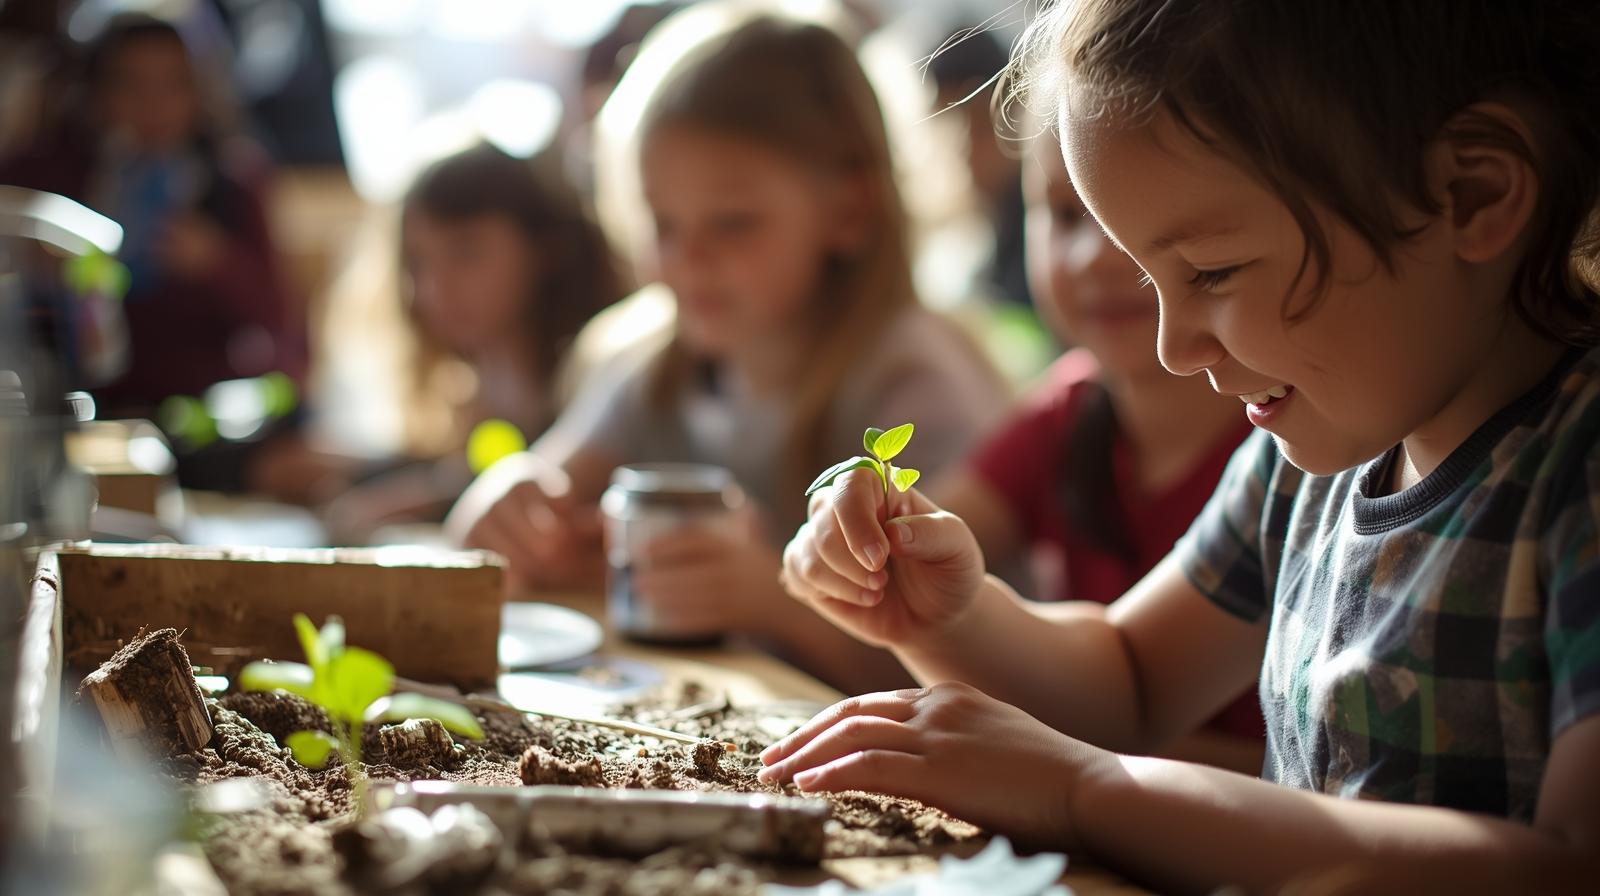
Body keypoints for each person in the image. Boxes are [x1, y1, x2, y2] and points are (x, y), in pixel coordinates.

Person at [767, 2, 1600, 892]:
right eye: (1149, 277)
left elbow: (1571, 866)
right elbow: (1128, 683)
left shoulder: (1577, 472)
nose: (1175, 347)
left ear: (1472, 194)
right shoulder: (1311, 459)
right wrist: (947, 620)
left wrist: (1085, 788)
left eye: (1212, 271)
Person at [446, 4, 1010, 694]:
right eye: (663, 223)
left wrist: (776, 600)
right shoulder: (650, 360)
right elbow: (551, 487)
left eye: (733, 224)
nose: (688, 262)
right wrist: (511, 497)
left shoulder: (915, 387)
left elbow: (982, 665)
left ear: (849, 209)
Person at [931, 129, 1261, 774]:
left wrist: (1072, 762)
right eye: (1064, 214)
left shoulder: (1299, 443)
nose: (1094, 258)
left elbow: (1305, 777)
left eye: (1137, 222)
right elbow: (926, 549)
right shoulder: (1065, 413)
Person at [319, 144, 625, 543]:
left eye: (466, 252)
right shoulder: (476, 384)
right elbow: (479, 467)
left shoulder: (598, 374)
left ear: (544, 248)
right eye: (419, 262)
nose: (435, 290)